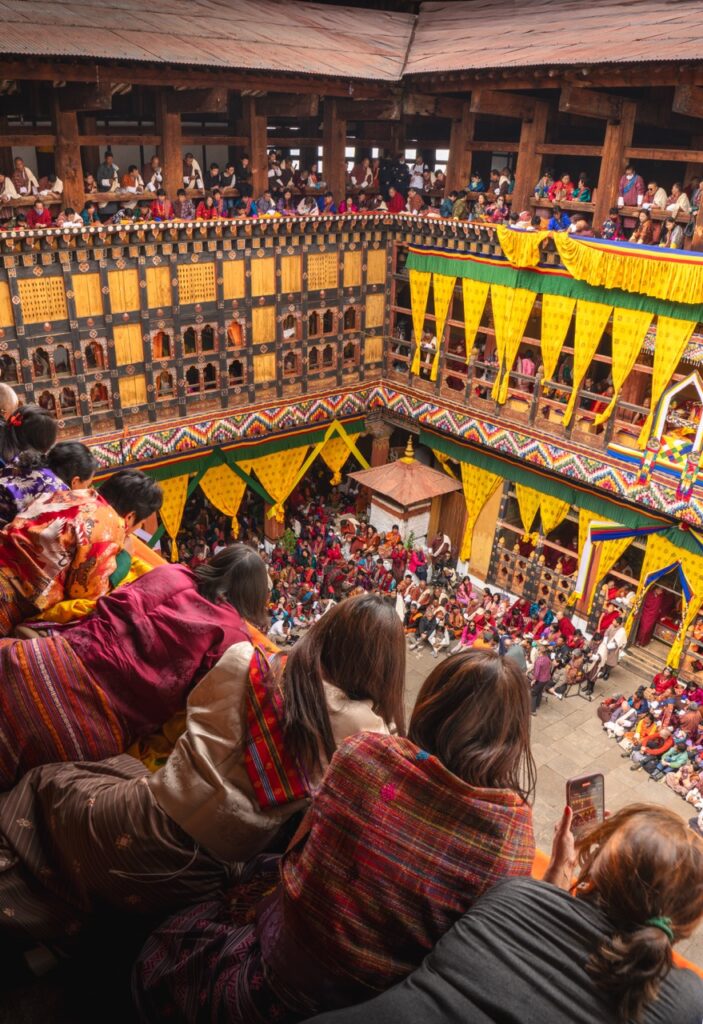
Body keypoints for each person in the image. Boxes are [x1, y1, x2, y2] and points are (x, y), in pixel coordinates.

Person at [134, 651, 536, 1021]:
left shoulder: (364, 754)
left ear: (430, 702)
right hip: (371, 1010)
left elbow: (298, 858)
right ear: (512, 738)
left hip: (265, 979)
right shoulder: (511, 833)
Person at [0, 592, 404, 945]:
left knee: (49, 782)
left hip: (135, 814)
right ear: (385, 672)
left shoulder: (247, 659)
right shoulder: (369, 736)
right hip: (193, 878)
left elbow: (197, 715)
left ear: (324, 632)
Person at [307, 806, 703, 1024]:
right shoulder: (687, 1003)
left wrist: (548, 886)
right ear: (686, 923)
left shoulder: (513, 892)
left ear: (593, 871)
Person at [0, 468, 162, 637]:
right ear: (130, 517)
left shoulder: (66, 494)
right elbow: (84, 595)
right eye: (141, 523)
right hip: (12, 595)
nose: (139, 528)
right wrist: (124, 560)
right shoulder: (107, 526)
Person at [0, 438, 95, 527]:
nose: (88, 489)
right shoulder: (57, 492)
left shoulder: (27, 460)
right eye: (87, 485)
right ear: (75, 481)